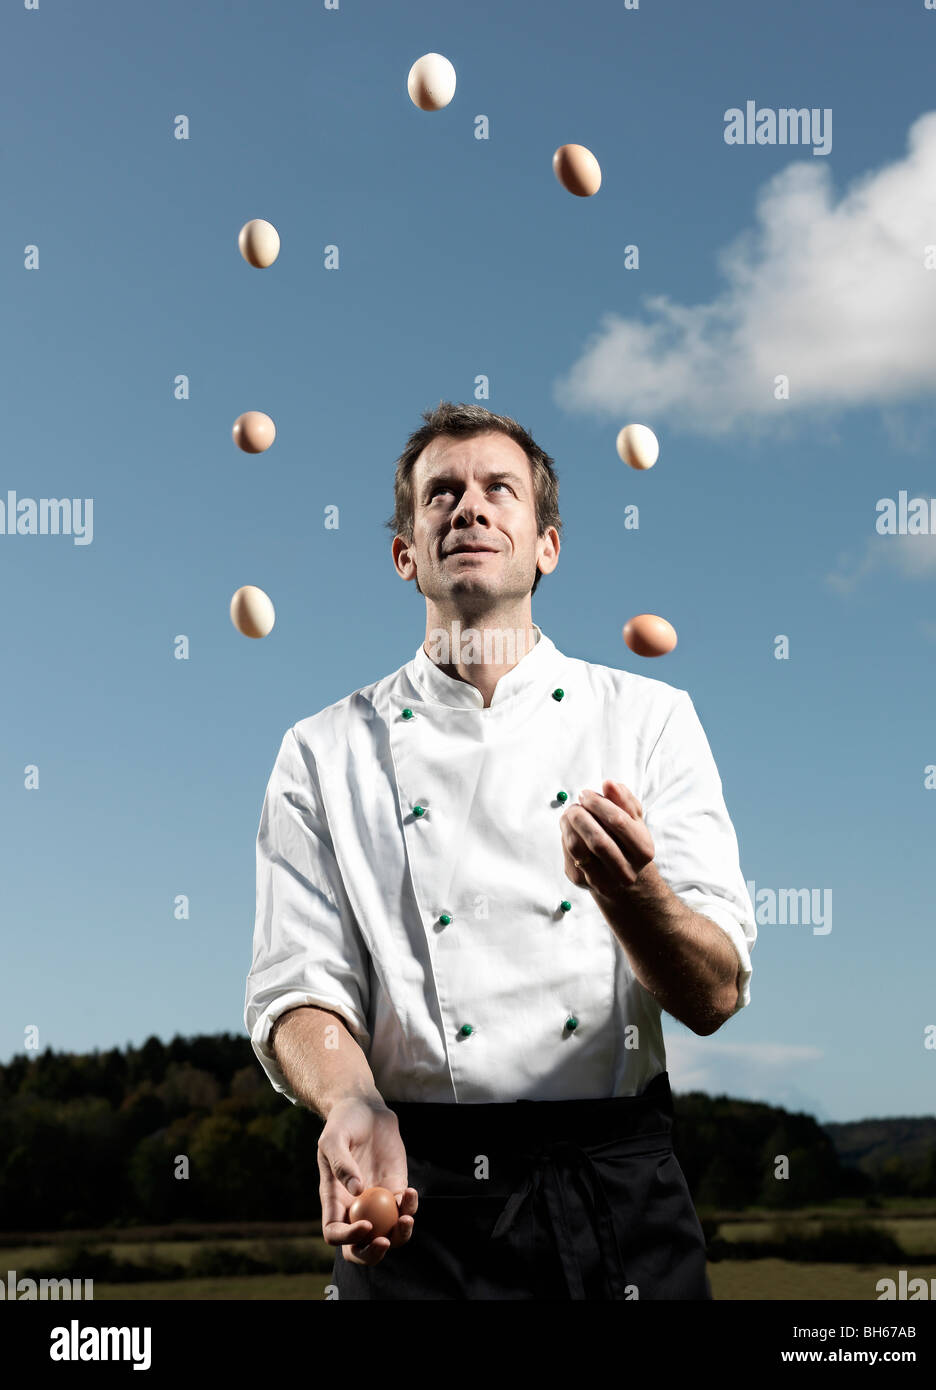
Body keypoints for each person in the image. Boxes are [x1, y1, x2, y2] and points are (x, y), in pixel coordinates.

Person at [244, 401, 757, 1300]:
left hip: (615, 1190)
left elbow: (715, 993)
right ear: (407, 555)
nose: (468, 507)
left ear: (545, 545)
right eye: (440, 493)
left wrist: (634, 895)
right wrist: (351, 1102)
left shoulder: (649, 719)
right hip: (412, 1193)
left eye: (497, 490)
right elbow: (299, 985)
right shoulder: (321, 749)